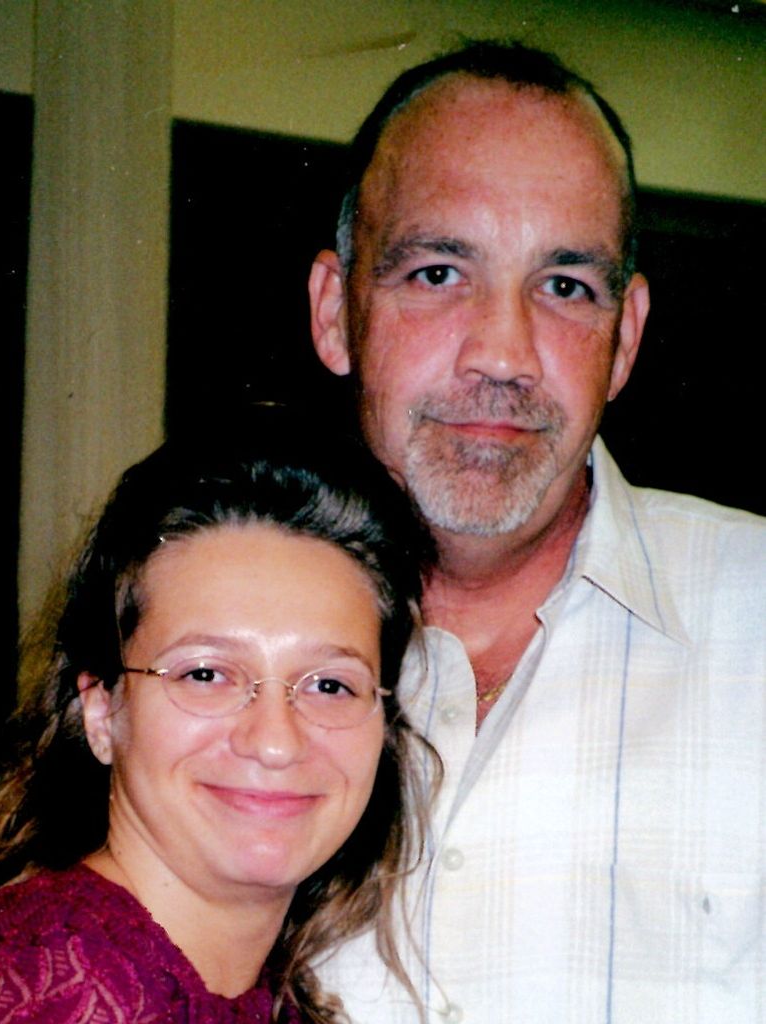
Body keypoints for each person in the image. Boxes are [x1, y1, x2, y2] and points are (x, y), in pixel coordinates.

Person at [308, 40, 766, 1024]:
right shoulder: (210, 676)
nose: (503, 354)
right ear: (335, 313)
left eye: (564, 287)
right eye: (438, 272)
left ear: (624, 337)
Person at [0, 407, 438, 1023]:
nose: (276, 741)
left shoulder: (259, 994)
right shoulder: (58, 986)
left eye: (330, 685)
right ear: (101, 711)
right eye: (205, 674)